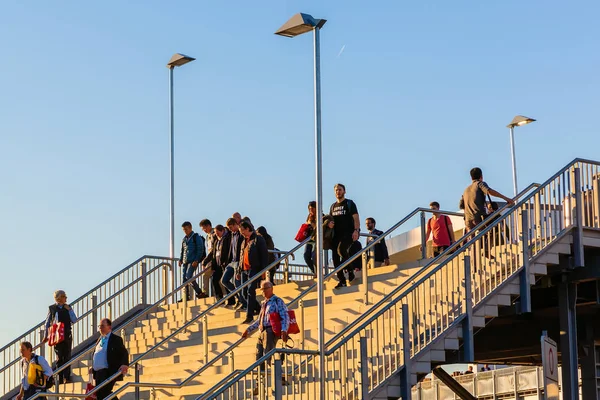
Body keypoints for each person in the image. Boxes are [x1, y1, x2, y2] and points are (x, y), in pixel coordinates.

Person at [242, 281, 290, 395]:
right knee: (259, 359)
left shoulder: (277, 301)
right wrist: (248, 329)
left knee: (268, 356)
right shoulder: (264, 303)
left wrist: (284, 330)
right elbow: (259, 320)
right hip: (262, 331)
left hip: (270, 331)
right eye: (261, 289)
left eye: (264, 289)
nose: (262, 292)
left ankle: (281, 376)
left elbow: (285, 316)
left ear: (271, 289)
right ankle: (259, 384)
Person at [459, 167, 514, 234]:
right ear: (481, 176)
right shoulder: (480, 184)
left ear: (471, 177)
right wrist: (506, 198)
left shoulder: (466, 190)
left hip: (468, 220)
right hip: (478, 217)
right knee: (485, 235)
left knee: (472, 240)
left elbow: (461, 205)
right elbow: (489, 191)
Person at [330, 183, 360, 289]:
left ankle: (350, 270)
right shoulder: (333, 206)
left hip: (348, 233)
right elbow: (331, 220)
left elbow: (356, 218)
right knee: (335, 258)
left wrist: (356, 230)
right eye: (336, 190)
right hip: (336, 235)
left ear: (344, 191)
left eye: (340, 190)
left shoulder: (349, 203)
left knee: (341, 250)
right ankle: (342, 280)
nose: (338, 192)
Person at [90, 318, 129, 400]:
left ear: (109, 327)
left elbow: (124, 352)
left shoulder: (115, 339)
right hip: (98, 373)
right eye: (99, 326)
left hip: (107, 371)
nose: (100, 328)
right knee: (100, 394)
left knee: (105, 392)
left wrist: (125, 364)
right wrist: (93, 367)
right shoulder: (100, 340)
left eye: (103, 326)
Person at [43, 289, 77, 383]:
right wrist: (46, 335)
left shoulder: (68, 307)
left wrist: (69, 310)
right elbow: (47, 323)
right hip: (57, 335)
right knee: (59, 356)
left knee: (67, 355)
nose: (66, 298)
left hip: (67, 334)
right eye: (64, 296)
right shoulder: (52, 308)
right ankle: (60, 378)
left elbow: (74, 320)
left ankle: (67, 377)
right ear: (59, 298)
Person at [239, 221, 268, 324]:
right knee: (243, 292)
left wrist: (264, 271)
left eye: (242, 230)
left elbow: (264, 255)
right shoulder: (244, 241)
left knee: (250, 291)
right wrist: (239, 270)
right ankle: (259, 309)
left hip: (254, 268)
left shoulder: (258, 239)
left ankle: (249, 315)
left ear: (247, 228)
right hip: (244, 270)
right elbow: (241, 256)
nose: (241, 232)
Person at [221, 218, 246, 308]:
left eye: (231, 227)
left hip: (239, 261)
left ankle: (243, 302)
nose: (230, 229)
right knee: (224, 280)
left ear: (236, 224)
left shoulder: (241, 234)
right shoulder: (231, 235)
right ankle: (238, 297)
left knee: (237, 282)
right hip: (232, 261)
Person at [179, 221, 205, 301]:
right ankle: (185, 297)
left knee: (188, 276)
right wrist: (180, 259)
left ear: (190, 228)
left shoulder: (196, 237)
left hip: (193, 260)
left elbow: (200, 249)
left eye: (186, 229)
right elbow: (182, 250)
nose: (185, 231)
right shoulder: (184, 239)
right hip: (185, 261)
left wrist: (197, 260)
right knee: (184, 279)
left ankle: (199, 292)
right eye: (183, 230)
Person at [200, 219, 224, 300]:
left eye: (204, 228)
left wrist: (205, 261)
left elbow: (214, 249)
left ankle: (207, 292)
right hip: (211, 258)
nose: (204, 230)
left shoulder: (215, 233)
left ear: (208, 226)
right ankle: (206, 292)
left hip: (215, 258)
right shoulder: (208, 236)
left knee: (211, 276)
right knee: (210, 276)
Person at [212, 224, 230, 305]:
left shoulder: (226, 239)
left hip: (224, 264)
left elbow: (227, 252)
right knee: (215, 279)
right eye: (215, 232)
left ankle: (231, 298)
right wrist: (213, 265)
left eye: (217, 232)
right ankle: (219, 298)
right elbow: (213, 253)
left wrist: (225, 262)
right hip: (218, 264)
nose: (216, 234)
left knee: (225, 281)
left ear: (222, 231)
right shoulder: (216, 241)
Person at [303, 201, 318, 275]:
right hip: (309, 239)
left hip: (316, 239)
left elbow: (319, 228)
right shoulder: (309, 216)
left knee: (314, 256)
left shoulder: (321, 216)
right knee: (306, 256)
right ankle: (314, 271)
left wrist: (312, 224)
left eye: (312, 209)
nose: (311, 211)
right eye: (309, 209)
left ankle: (318, 272)